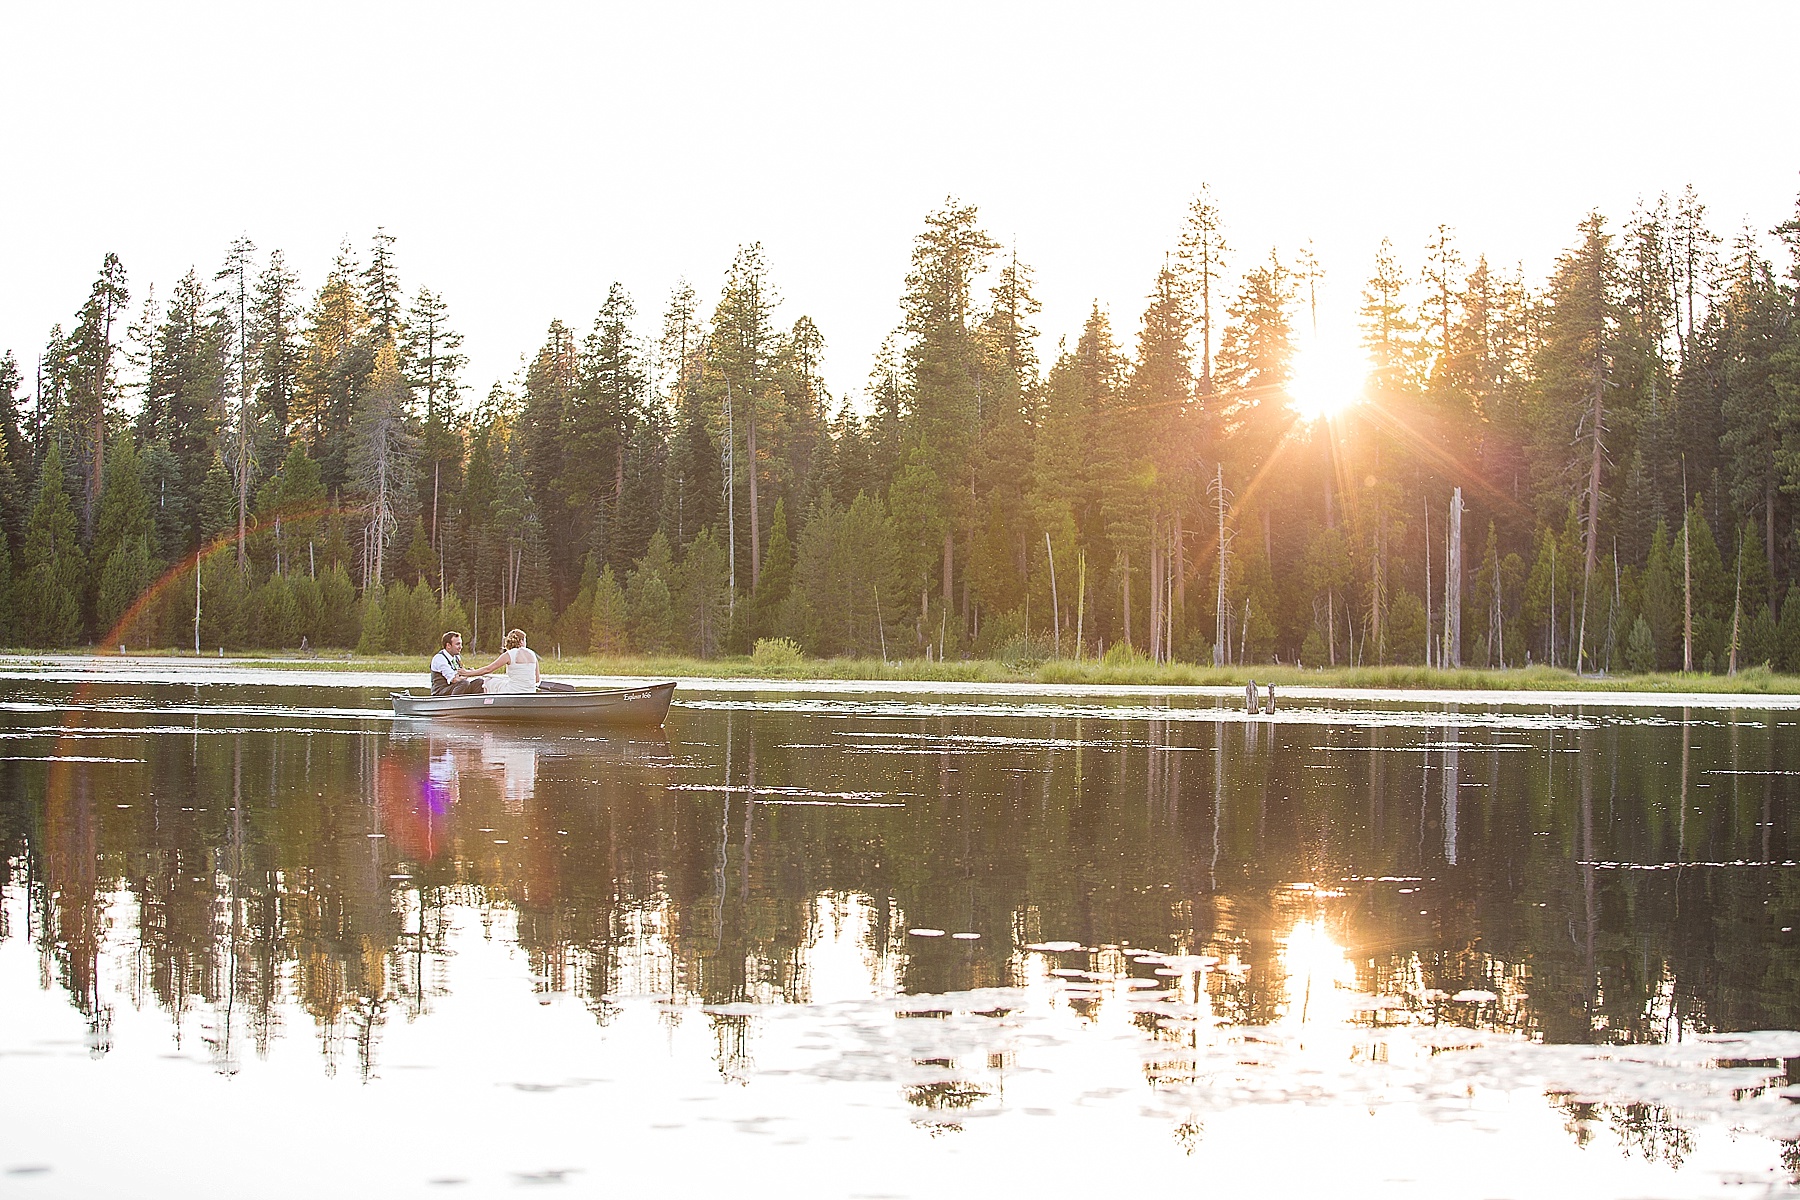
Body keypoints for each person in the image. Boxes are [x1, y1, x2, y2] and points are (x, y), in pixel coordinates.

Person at [463, 629, 540, 694]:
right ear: (521, 641)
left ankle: (488, 704)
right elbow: (537, 679)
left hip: (513, 691)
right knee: (501, 681)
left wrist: (468, 673)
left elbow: (488, 669)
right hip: (530, 691)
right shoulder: (532, 654)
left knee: (488, 681)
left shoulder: (509, 654)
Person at [429, 631, 485, 696]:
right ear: (448, 645)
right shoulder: (439, 658)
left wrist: (468, 672)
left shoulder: (457, 657)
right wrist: (470, 674)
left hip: (455, 688)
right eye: (457, 644)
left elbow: (460, 675)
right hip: (440, 692)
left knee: (479, 682)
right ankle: (455, 702)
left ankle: (475, 701)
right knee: (464, 683)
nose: (461, 647)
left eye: (461, 644)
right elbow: (454, 680)